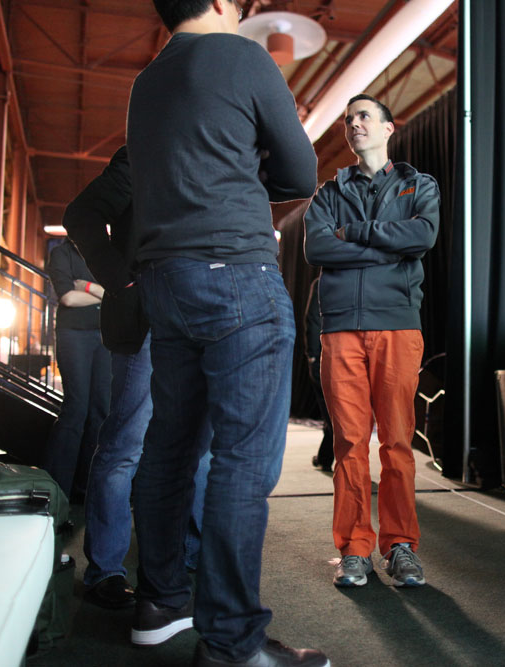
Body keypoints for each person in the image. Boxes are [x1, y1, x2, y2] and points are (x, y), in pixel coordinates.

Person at [126, 1, 325, 665]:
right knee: (243, 461)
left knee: (171, 444)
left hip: (165, 278)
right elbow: (301, 173)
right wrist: (247, 167)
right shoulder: (242, 57)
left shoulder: (146, 82)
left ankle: (159, 599)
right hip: (235, 273)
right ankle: (233, 642)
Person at [61, 145, 212, 620]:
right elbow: (81, 214)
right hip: (147, 320)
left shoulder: (214, 148)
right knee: (125, 444)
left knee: (201, 449)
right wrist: (117, 276)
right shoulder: (140, 152)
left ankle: (192, 555)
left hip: (203, 317)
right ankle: (105, 569)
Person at [303, 94, 440, 588]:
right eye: (348, 118)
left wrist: (355, 235)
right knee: (350, 445)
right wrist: (386, 243)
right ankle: (355, 548)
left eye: (364, 116)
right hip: (340, 330)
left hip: (398, 327)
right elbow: (317, 246)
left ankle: (400, 545)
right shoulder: (327, 194)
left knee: (399, 443)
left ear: (388, 128)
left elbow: (421, 235)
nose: (354, 123)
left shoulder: (417, 184)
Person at [43, 239, 111, 500]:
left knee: (100, 411)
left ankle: (85, 489)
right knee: (76, 408)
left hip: (105, 336)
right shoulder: (61, 254)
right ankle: (57, 488)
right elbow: (68, 297)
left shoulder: (106, 252)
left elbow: (115, 293)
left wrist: (91, 287)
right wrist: (103, 293)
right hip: (74, 336)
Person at [303, 276, 333, 472]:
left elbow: (313, 320)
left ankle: (325, 458)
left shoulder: (322, 282)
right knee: (333, 413)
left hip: (326, 357)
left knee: (331, 414)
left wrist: (313, 356)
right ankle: (324, 457)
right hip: (340, 356)